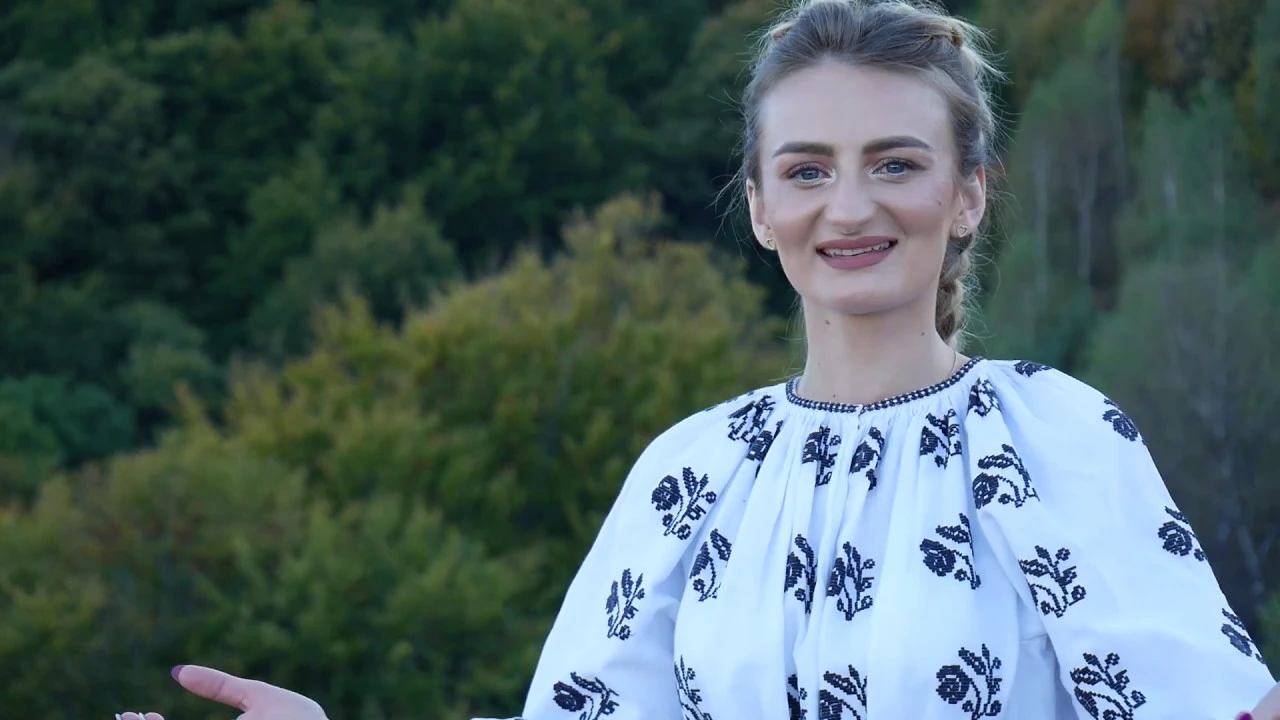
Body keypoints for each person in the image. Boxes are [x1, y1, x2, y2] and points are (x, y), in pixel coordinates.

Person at [115, 0, 1280, 718]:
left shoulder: (1055, 439)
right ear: (761, 206)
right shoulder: (690, 470)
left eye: (895, 162)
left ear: (967, 194)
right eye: (807, 170)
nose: (849, 207)